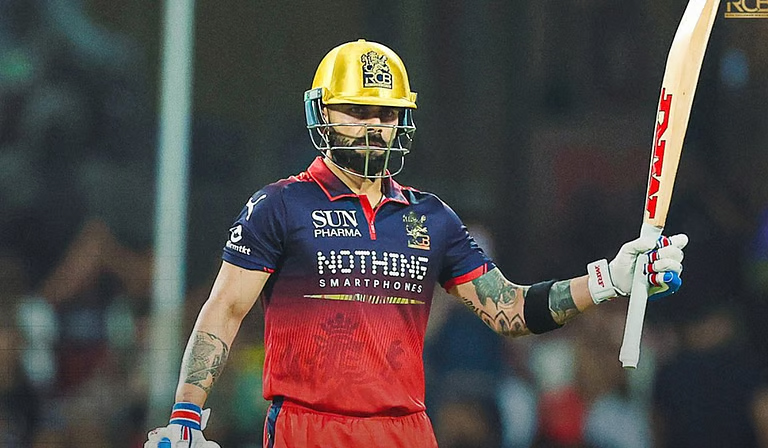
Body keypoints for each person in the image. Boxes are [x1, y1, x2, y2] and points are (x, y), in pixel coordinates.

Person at [145, 39, 687, 448]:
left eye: (386, 113)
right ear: (322, 113)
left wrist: (611, 279)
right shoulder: (280, 206)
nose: (373, 127)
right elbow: (224, 310)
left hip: (405, 431)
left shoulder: (434, 218)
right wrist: (187, 416)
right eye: (357, 111)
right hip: (309, 429)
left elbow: (511, 310)